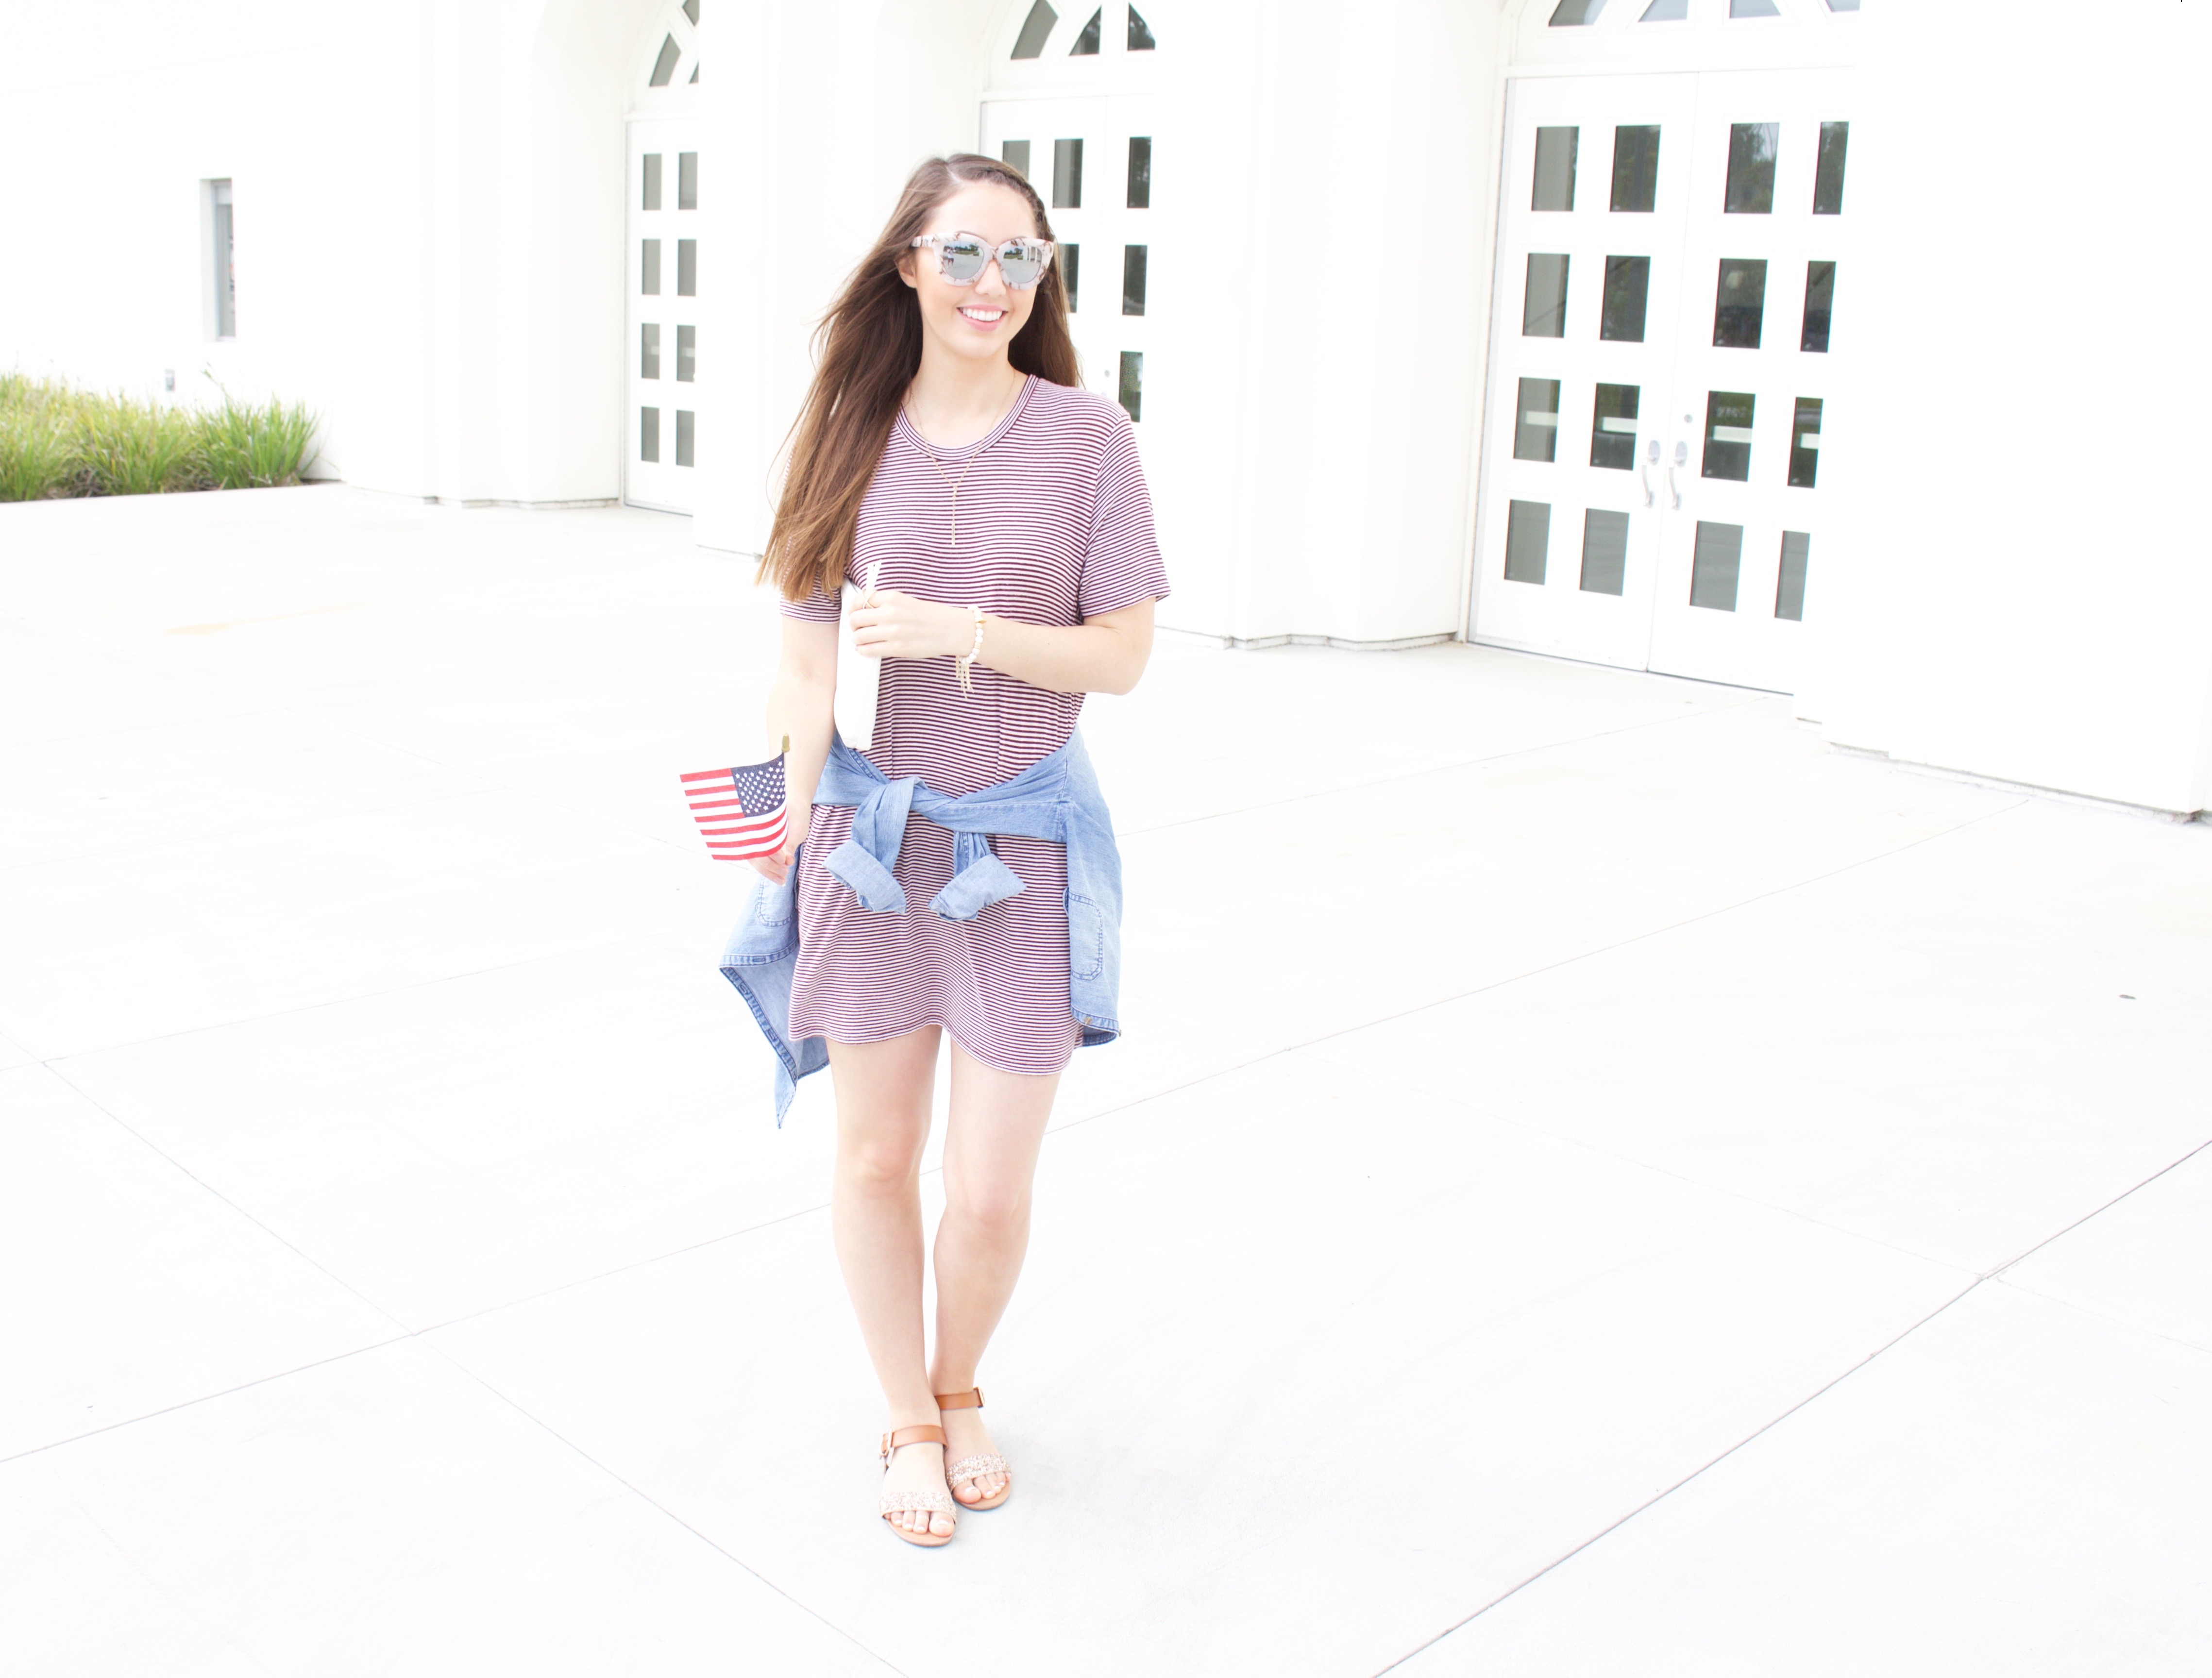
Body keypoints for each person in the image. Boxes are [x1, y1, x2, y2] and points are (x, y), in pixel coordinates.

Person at [742, 153, 1168, 1546]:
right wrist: (774, 813)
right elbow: (803, 676)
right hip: (872, 844)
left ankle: (961, 1379)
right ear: (909, 266)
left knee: (987, 1186)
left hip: (1025, 844)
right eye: (966, 255)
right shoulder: (845, 434)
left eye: (1021, 261)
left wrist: (963, 634)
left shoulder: (1087, 439)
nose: (994, 284)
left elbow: (1122, 659)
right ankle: (908, 1417)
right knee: (872, 1163)